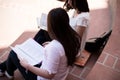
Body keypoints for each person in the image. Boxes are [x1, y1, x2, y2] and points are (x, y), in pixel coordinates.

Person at [0, 8, 81, 80]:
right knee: (40, 38)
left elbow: (49, 75)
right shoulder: (74, 37)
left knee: (14, 53)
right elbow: (73, 54)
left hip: (41, 78)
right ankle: (4, 69)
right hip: (60, 74)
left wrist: (27, 66)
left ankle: (8, 73)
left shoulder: (54, 47)